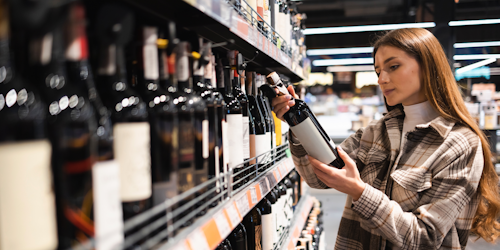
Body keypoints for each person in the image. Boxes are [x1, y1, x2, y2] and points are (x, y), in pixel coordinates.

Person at [272, 28, 500, 249]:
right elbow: (317, 177)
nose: (382, 79)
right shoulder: (376, 131)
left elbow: (425, 238)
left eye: (393, 66)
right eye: (378, 71)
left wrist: (360, 192)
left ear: (428, 66)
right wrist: (298, 123)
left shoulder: (460, 144)